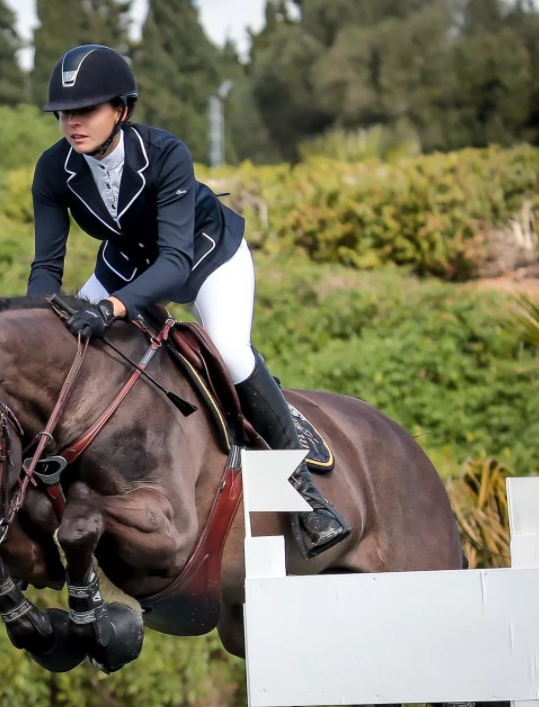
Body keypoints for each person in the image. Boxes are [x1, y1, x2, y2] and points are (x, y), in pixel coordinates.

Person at [26, 44, 351, 559]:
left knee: (230, 351)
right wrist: (34, 329)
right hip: (128, 263)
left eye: (85, 110)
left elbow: (175, 263)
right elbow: (47, 267)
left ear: (122, 110)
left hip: (204, 256)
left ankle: (307, 498)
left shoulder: (165, 152)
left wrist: (110, 309)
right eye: (64, 113)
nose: (72, 123)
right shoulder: (53, 169)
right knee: (62, 346)